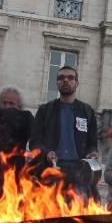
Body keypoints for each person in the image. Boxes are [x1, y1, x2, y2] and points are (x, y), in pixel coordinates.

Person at [31, 66, 98, 199]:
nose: (65, 81)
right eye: (61, 78)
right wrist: (46, 153)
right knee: (50, 214)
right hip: (52, 171)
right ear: (56, 83)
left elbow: (92, 143)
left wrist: (92, 152)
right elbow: (34, 142)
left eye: (70, 78)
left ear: (77, 83)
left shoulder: (87, 111)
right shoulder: (45, 111)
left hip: (79, 174)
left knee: (76, 216)